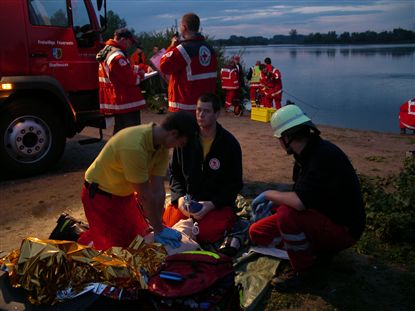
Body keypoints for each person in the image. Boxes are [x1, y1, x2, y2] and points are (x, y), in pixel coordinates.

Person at [249, 104, 366, 291]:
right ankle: (313, 252)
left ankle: (303, 271)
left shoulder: (322, 156)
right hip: (320, 216)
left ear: (287, 137)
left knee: (287, 215)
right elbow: (301, 193)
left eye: (279, 138)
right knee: (257, 231)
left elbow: (300, 203)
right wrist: (272, 204)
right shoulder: (304, 155)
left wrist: (269, 194)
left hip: (344, 228)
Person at [77, 111, 200, 251]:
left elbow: (158, 190)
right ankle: (86, 242)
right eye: (181, 143)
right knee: (115, 251)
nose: (178, 147)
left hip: (124, 195)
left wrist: (160, 224)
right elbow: (145, 196)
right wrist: (159, 229)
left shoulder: (161, 146)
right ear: (173, 134)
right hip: (100, 196)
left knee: (138, 238)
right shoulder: (134, 146)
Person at [163, 93, 243, 244]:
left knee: (206, 234)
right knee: (170, 226)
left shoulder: (229, 144)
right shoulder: (185, 140)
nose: (201, 115)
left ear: (217, 113)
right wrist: (180, 199)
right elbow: (175, 174)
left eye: (206, 111)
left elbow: (235, 184)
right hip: (188, 201)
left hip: (215, 204)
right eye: (199, 110)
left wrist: (212, 204)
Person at [159, 13, 217, 113]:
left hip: (184, 107)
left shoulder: (183, 49)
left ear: (184, 27)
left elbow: (164, 66)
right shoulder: (209, 49)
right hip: (205, 107)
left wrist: (172, 46)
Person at [96, 28, 146, 134]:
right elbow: (130, 79)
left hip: (119, 101)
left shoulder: (109, 50)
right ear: (123, 39)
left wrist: (140, 68)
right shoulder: (117, 57)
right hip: (126, 101)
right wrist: (141, 76)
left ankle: (116, 150)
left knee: (120, 132)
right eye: (130, 42)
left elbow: (124, 69)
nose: (131, 45)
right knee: (131, 134)